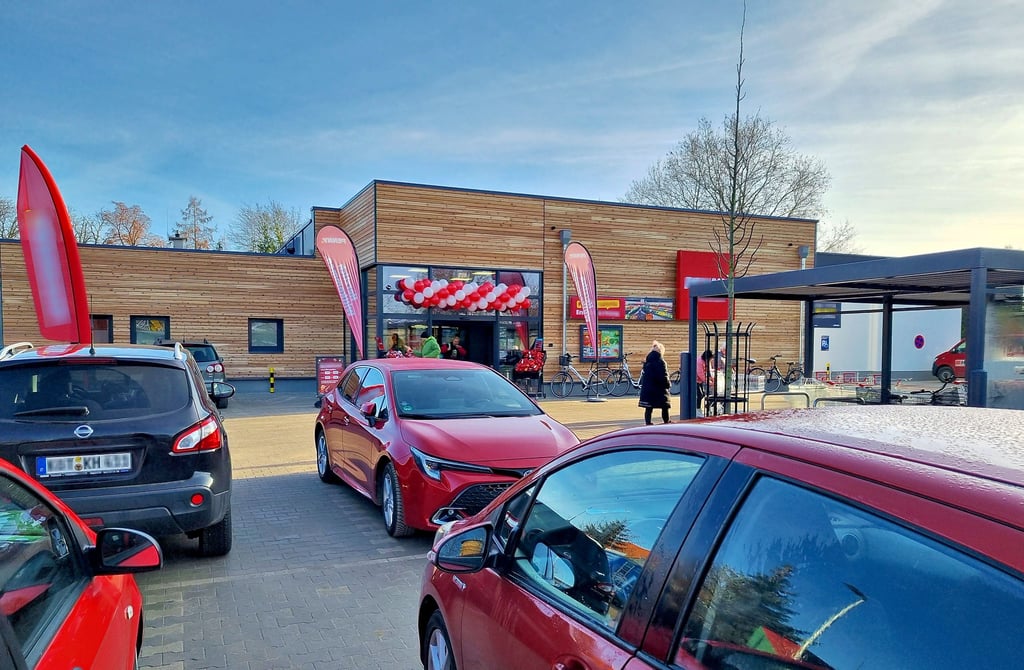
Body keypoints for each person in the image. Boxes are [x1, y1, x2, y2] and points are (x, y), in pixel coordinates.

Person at [638, 340, 671, 425]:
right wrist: (667, 384)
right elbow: (663, 375)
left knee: (649, 407)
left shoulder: (648, 361)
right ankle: (666, 421)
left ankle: (648, 423)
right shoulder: (661, 362)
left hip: (648, 389)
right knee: (665, 405)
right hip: (659, 389)